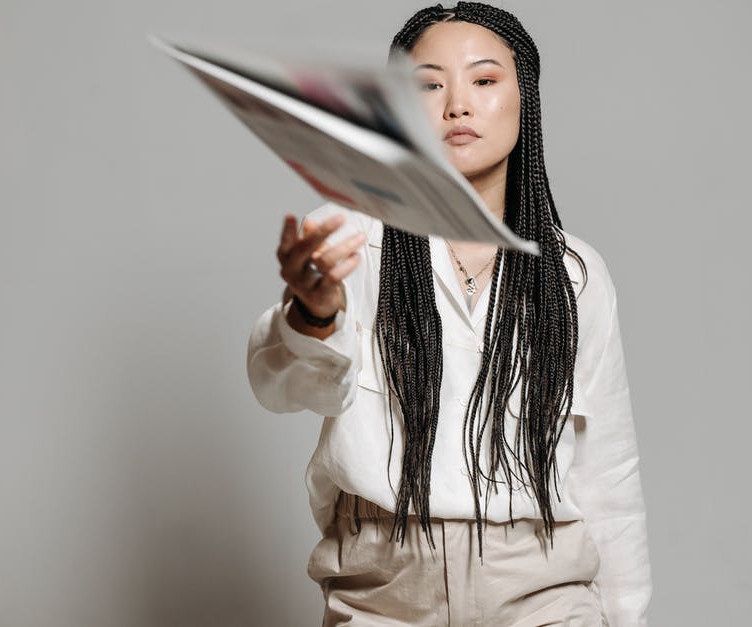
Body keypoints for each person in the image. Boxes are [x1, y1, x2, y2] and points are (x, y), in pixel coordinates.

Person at [246, 3, 652, 625]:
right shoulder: (349, 241)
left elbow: (609, 474)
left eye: (484, 80)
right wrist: (313, 313)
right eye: (428, 86)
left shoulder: (574, 274)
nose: (456, 105)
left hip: (542, 584)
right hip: (385, 585)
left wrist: (627, 617)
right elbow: (283, 385)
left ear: (526, 99)